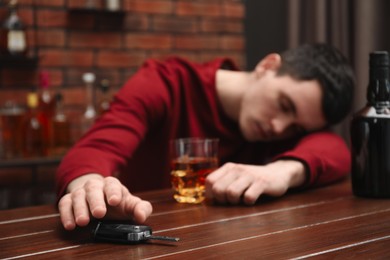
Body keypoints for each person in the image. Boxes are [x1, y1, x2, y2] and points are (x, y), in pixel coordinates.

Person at [56, 43, 355, 230]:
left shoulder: (275, 128)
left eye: (296, 128)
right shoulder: (165, 82)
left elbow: (336, 148)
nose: (279, 128)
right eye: (284, 105)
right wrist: (90, 188)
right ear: (267, 66)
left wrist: (282, 171)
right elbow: (93, 151)